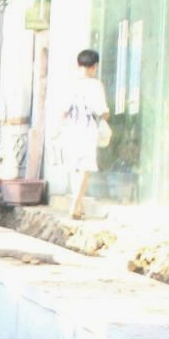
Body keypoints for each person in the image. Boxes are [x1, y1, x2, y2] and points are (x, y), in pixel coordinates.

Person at [58, 48, 110, 220]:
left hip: (70, 130)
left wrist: (59, 130)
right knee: (85, 168)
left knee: (74, 168)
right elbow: (102, 110)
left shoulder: (68, 84)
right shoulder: (95, 85)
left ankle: (78, 204)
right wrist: (105, 117)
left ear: (78, 64)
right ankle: (75, 204)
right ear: (95, 66)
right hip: (87, 129)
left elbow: (63, 111)